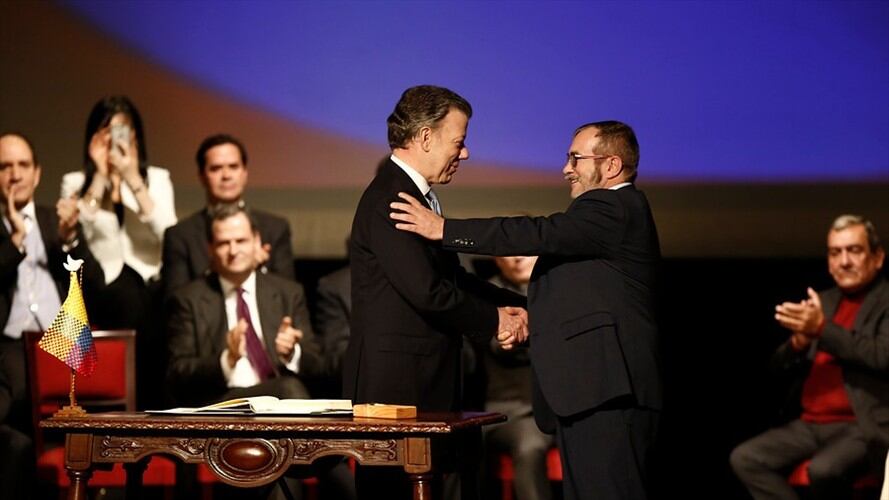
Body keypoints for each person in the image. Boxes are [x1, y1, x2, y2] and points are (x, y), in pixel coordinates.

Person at [390, 120, 663, 500]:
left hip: (609, 393)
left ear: (612, 165)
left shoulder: (614, 205)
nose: (566, 168)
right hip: (591, 394)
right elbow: (582, 301)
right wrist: (524, 318)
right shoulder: (605, 222)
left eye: (576, 158)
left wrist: (443, 229)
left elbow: (536, 232)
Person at [343, 85, 528, 499]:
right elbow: (427, 291)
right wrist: (495, 320)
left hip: (420, 384)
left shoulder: (417, 196)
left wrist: (518, 305)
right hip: (396, 392)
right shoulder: (392, 198)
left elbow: (451, 279)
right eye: (459, 142)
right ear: (426, 138)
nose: (465, 154)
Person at [730, 214, 888, 500]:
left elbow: (881, 356)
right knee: (746, 458)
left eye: (854, 250)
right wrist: (799, 343)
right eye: (835, 253)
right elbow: (775, 368)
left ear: (877, 257)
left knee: (823, 470)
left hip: (862, 425)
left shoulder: (885, 301)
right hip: (810, 424)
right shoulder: (824, 301)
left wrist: (822, 329)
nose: (844, 261)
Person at [61, 96, 177, 408]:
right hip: (99, 287)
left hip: (148, 287)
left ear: (137, 136)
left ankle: (149, 407)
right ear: (93, 138)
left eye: (124, 131)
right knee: (123, 295)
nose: (115, 140)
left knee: (149, 302)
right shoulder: (76, 182)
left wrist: (132, 179)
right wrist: (99, 177)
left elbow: (170, 234)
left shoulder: (156, 179)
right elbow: (76, 231)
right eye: (106, 132)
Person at [166, 203, 321, 407]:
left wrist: (293, 353)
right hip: (220, 402)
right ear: (210, 249)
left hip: (277, 400)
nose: (233, 250)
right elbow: (178, 373)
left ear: (257, 242)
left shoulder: (288, 293)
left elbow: (318, 364)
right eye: (223, 243)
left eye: (241, 241)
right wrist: (226, 360)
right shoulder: (189, 299)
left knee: (290, 388)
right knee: (289, 389)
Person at [0, 132, 99, 430]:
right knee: (17, 398)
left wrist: (69, 239)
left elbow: (94, 283)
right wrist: (16, 240)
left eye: (23, 165)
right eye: (5, 167)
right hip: (10, 344)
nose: (15, 175)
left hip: (62, 339)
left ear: (37, 173)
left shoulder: (54, 220)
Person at [162, 134, 294, 297]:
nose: (226, 176)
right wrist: (224, 269)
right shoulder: (181, 235)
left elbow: (290, 296)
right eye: (216, 168)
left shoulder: (274, 228)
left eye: (233, 167)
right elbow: (174, 302)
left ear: (245, 173)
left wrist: (256, 269)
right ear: (202, 176)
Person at [484, 254, 555, 500]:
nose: (516, 259)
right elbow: (500, 344)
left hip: (552, 412)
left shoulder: (560, 289)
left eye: (524, 251)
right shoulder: (487, 293)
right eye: (507, 254)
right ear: (496, 260)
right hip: (502, 412)